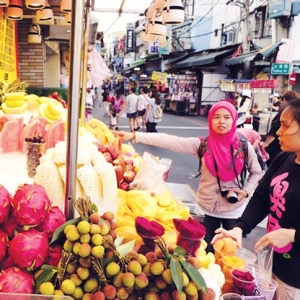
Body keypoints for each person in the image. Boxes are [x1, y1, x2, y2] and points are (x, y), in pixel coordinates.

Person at [115, 101, 262, 252]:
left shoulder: (244, 146)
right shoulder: (203, 145)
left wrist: (246, 191)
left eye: (227, 117)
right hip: (206, 209)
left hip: (234, 210)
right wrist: (135, 135)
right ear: (210, 120)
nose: (221, 121)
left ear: (234, 120)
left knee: (229, 255)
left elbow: (257, 172)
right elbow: (170, 141)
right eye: (216, 117)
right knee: (203, 252)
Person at [211, 98, 300, 299]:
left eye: (285, 126)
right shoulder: (283, 159)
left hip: (295, 276)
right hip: (268, 260)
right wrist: (239, 228)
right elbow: (261, 198)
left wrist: (292, 236)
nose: (278, 132)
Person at [262, 91, 299, 166]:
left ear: (285, 99)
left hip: (275, 147)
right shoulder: (283, 157)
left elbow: (274, 130)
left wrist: (266, 143)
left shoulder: (286, 113)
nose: (278, 132)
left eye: (285, 125)